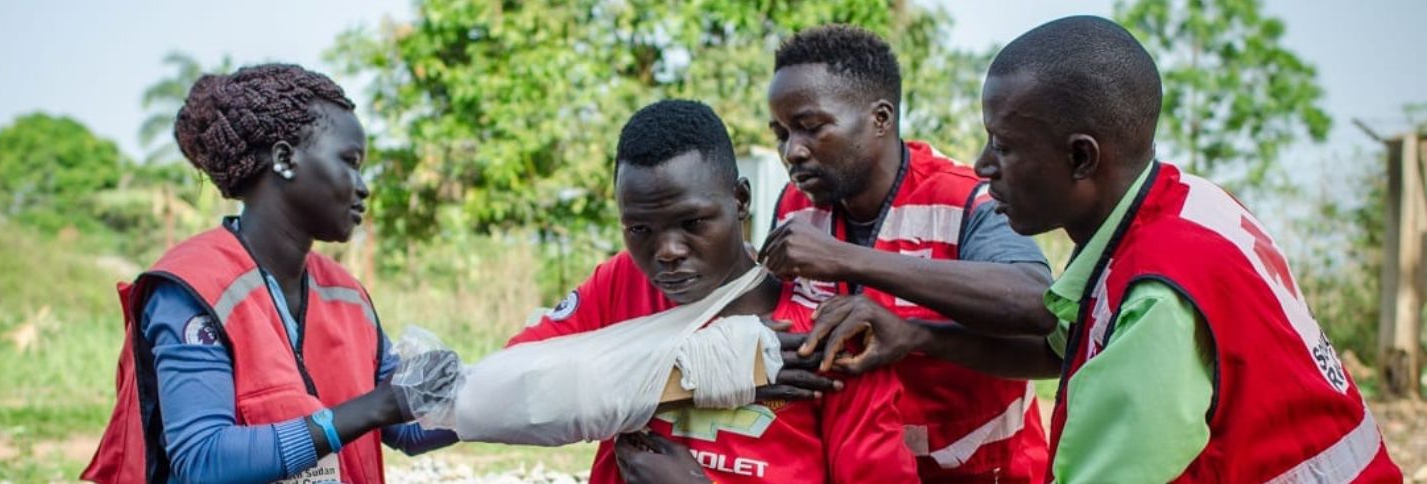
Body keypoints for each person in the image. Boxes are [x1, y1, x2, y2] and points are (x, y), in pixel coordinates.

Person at [805, 16, 1401, 482]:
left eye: (1003, 146)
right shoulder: (1183, 203)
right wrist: (915, 336)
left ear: (1081, 157)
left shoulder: (1155, 296)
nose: (983, 166)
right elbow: (1055, 350)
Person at [82, 64, 458, 483]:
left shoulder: (345, 293)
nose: (363, 186)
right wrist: (373, 407)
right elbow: (204, 459)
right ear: (284, 159)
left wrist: (505, 385)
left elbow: (406, 424)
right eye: (350, 162)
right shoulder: (195, 287)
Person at [512, 99, 918, 483]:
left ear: (740, 200)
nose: (667, 251)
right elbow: (511, 391)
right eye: (639, 229)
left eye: (692, 222)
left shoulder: (826, 337)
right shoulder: (625, 282)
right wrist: (697, 373)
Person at [757, 24, 1051, 481]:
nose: (792, 151)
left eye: (811, 127)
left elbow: (1038, 303)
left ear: (880, 118)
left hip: (984, 471)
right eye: (782, 133)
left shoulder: (966, 198)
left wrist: (846, 258)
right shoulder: (795, 209)